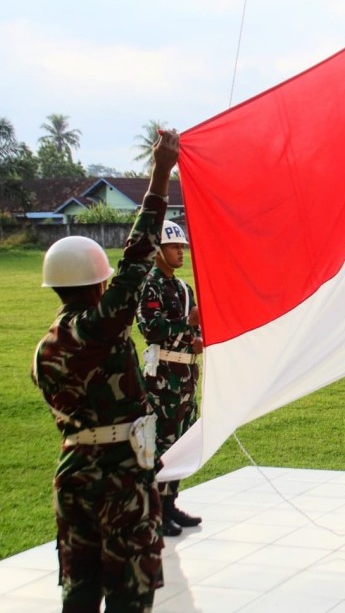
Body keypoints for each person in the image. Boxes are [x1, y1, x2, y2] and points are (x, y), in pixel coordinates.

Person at [31, 129, 178, 613]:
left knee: (80, 588)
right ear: (98, 284)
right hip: (117, 477)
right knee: (127, 594)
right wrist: (160, 173)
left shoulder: (44, 349)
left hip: (73, 475)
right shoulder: (98, 326)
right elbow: (137, 258)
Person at [138, 220, 204, 537]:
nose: (181, 252)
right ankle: (156, 511)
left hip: (187, 375)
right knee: (162, 443)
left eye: (182, 247)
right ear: (158, 251)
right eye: (174, 247)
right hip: (164, 378)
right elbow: (151, 328)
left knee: (182, 440)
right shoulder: (149, 286)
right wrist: (184, 323)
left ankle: (171, 502)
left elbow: (196, 328)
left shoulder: (182, 288)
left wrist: (198, 337)